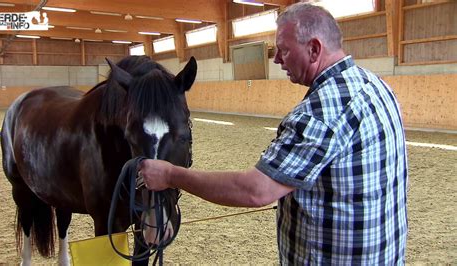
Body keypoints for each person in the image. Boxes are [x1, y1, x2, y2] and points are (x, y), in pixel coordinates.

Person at [138, 2, 408, 265]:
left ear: (314, 49)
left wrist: (171, 174)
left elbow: (255, 191)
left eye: (284, 51)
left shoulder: (319, 113)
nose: (277, 59)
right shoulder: (376, 85)